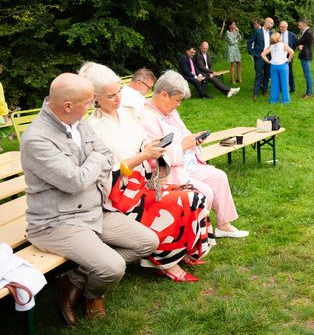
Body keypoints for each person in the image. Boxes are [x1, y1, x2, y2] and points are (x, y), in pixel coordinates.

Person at [21, 73, 158, 326]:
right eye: (88, 102)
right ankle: (94, 294)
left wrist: (90, 162)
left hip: (94, 208)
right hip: (58, 221)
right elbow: (75, 181)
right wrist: (94, 160)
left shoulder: (77, 120)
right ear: (67, 105)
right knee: (113, 267)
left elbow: (106, 153)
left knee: (148, 242)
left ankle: (74, 280)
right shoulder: (36, 139)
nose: (92, 106)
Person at [79, 62, 213, 283]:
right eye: (111, 95)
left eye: (119, 91)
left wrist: (150, 145)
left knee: (194, 195)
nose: (118, 99)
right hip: (120, 195)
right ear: (95, 97)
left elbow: (140, 140)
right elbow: (110, 171)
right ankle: (167, 263)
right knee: (181, 201)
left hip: (143, 182)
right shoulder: (94, 127)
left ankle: (183, 250)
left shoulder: (127, 113)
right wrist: (143, 155)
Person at [140, 70, 249, 238]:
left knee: (218, 177)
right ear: (163, 95)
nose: (178, 105)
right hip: (170, 172)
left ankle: (223, 225)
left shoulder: (169, 111)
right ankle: (196, 237)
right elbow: (155, 156)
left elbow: (183, 132)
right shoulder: (146, 117)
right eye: (177, 100)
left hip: (187, 164)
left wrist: (194, 138)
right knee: (205, 191)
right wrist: (183, 146)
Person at [261, 32, 294, 104]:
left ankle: (274, 100)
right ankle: (285, 101)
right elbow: (292, 52)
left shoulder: (271, 46)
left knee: (274, 84)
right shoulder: (283, 45)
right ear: (279, 38)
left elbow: (262, 54)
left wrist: (268, 61)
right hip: (283, 66)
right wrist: (289, 60)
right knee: (284, 83)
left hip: (273, 66)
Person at [248, 17, 274, 100]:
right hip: (259, 56)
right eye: (271, 23)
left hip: (268, 57)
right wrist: (252, 53)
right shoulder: (257, 32)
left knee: (267, 74)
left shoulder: (271, 33)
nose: (272, 25)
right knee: (258, 74)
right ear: (266, 23)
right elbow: (249, 42)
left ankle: (265, 90)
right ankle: (255, 93)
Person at [279, 20, 297, 93]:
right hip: (280, 56)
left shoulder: (291, 35)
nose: (281, 28)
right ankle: (280, 88)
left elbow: (294, 45)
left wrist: (290, 54)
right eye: (280, 27)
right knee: (280, 71)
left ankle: (292, 87)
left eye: (283, 27)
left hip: (289, 55)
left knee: (289, 71)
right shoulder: (277, 34)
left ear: (287, 27)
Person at [297, 19, 314, 99]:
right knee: (306, 75)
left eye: (300, 25)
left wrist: (299, 44)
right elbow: (301, 43)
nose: (299, 27)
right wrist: (299, 45)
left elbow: (299, 41)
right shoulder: (306, 32)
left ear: (304, 25)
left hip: (306, 56)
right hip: (305, 55)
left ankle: (309, 93)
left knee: (308, 75)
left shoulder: (308, 32)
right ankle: (308, 92)